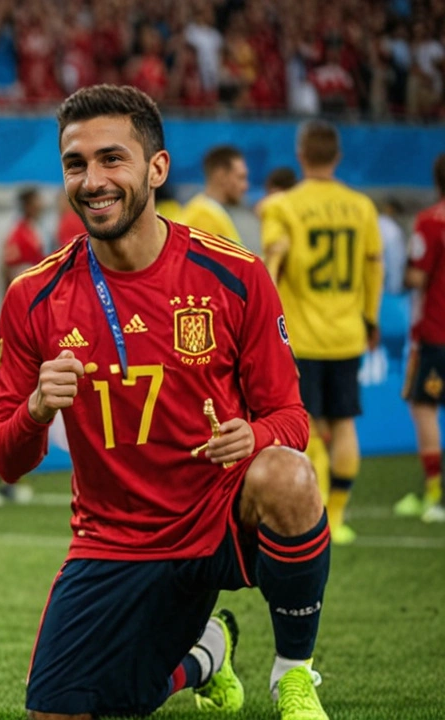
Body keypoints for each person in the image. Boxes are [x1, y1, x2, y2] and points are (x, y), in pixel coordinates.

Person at [0, 85, 330, 720]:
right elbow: (6, 460)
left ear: (157, 168)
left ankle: (294, 674)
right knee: (67, 712)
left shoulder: (236, 275)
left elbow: (292, 420)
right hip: (113, 541)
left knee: (286, 473)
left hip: (221, 516)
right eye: (75, 164)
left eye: (112, 159)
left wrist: (252, 438)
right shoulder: (33, 296)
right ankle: (205, 654)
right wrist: (36, 409)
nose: (93, 181)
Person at [261, 120, 383, 546]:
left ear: (300, 155)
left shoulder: (281, 206)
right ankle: (340, 516)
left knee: (307, 427)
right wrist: (370, 318)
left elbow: (272, 264)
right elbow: (374, 266)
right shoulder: (362, 207)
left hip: (303, 337)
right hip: (348, 333)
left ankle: (315, 519)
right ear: (337, 157)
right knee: (345, 424)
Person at [396, 153, 445, 523]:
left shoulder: (431, 222)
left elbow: (418, 278)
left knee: (424, 407)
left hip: (435, 331)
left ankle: (435, 496)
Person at [180, 145, 248, 244]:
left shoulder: (206, 211)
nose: (245, 186)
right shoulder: (204, 217)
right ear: (221, 175)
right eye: (240, 177)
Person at [2, 187, 47, 284]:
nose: (41, 206)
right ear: (27, 206)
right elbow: (9, 267)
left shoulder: (37, 228)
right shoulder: (19, 233)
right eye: (36, 202)